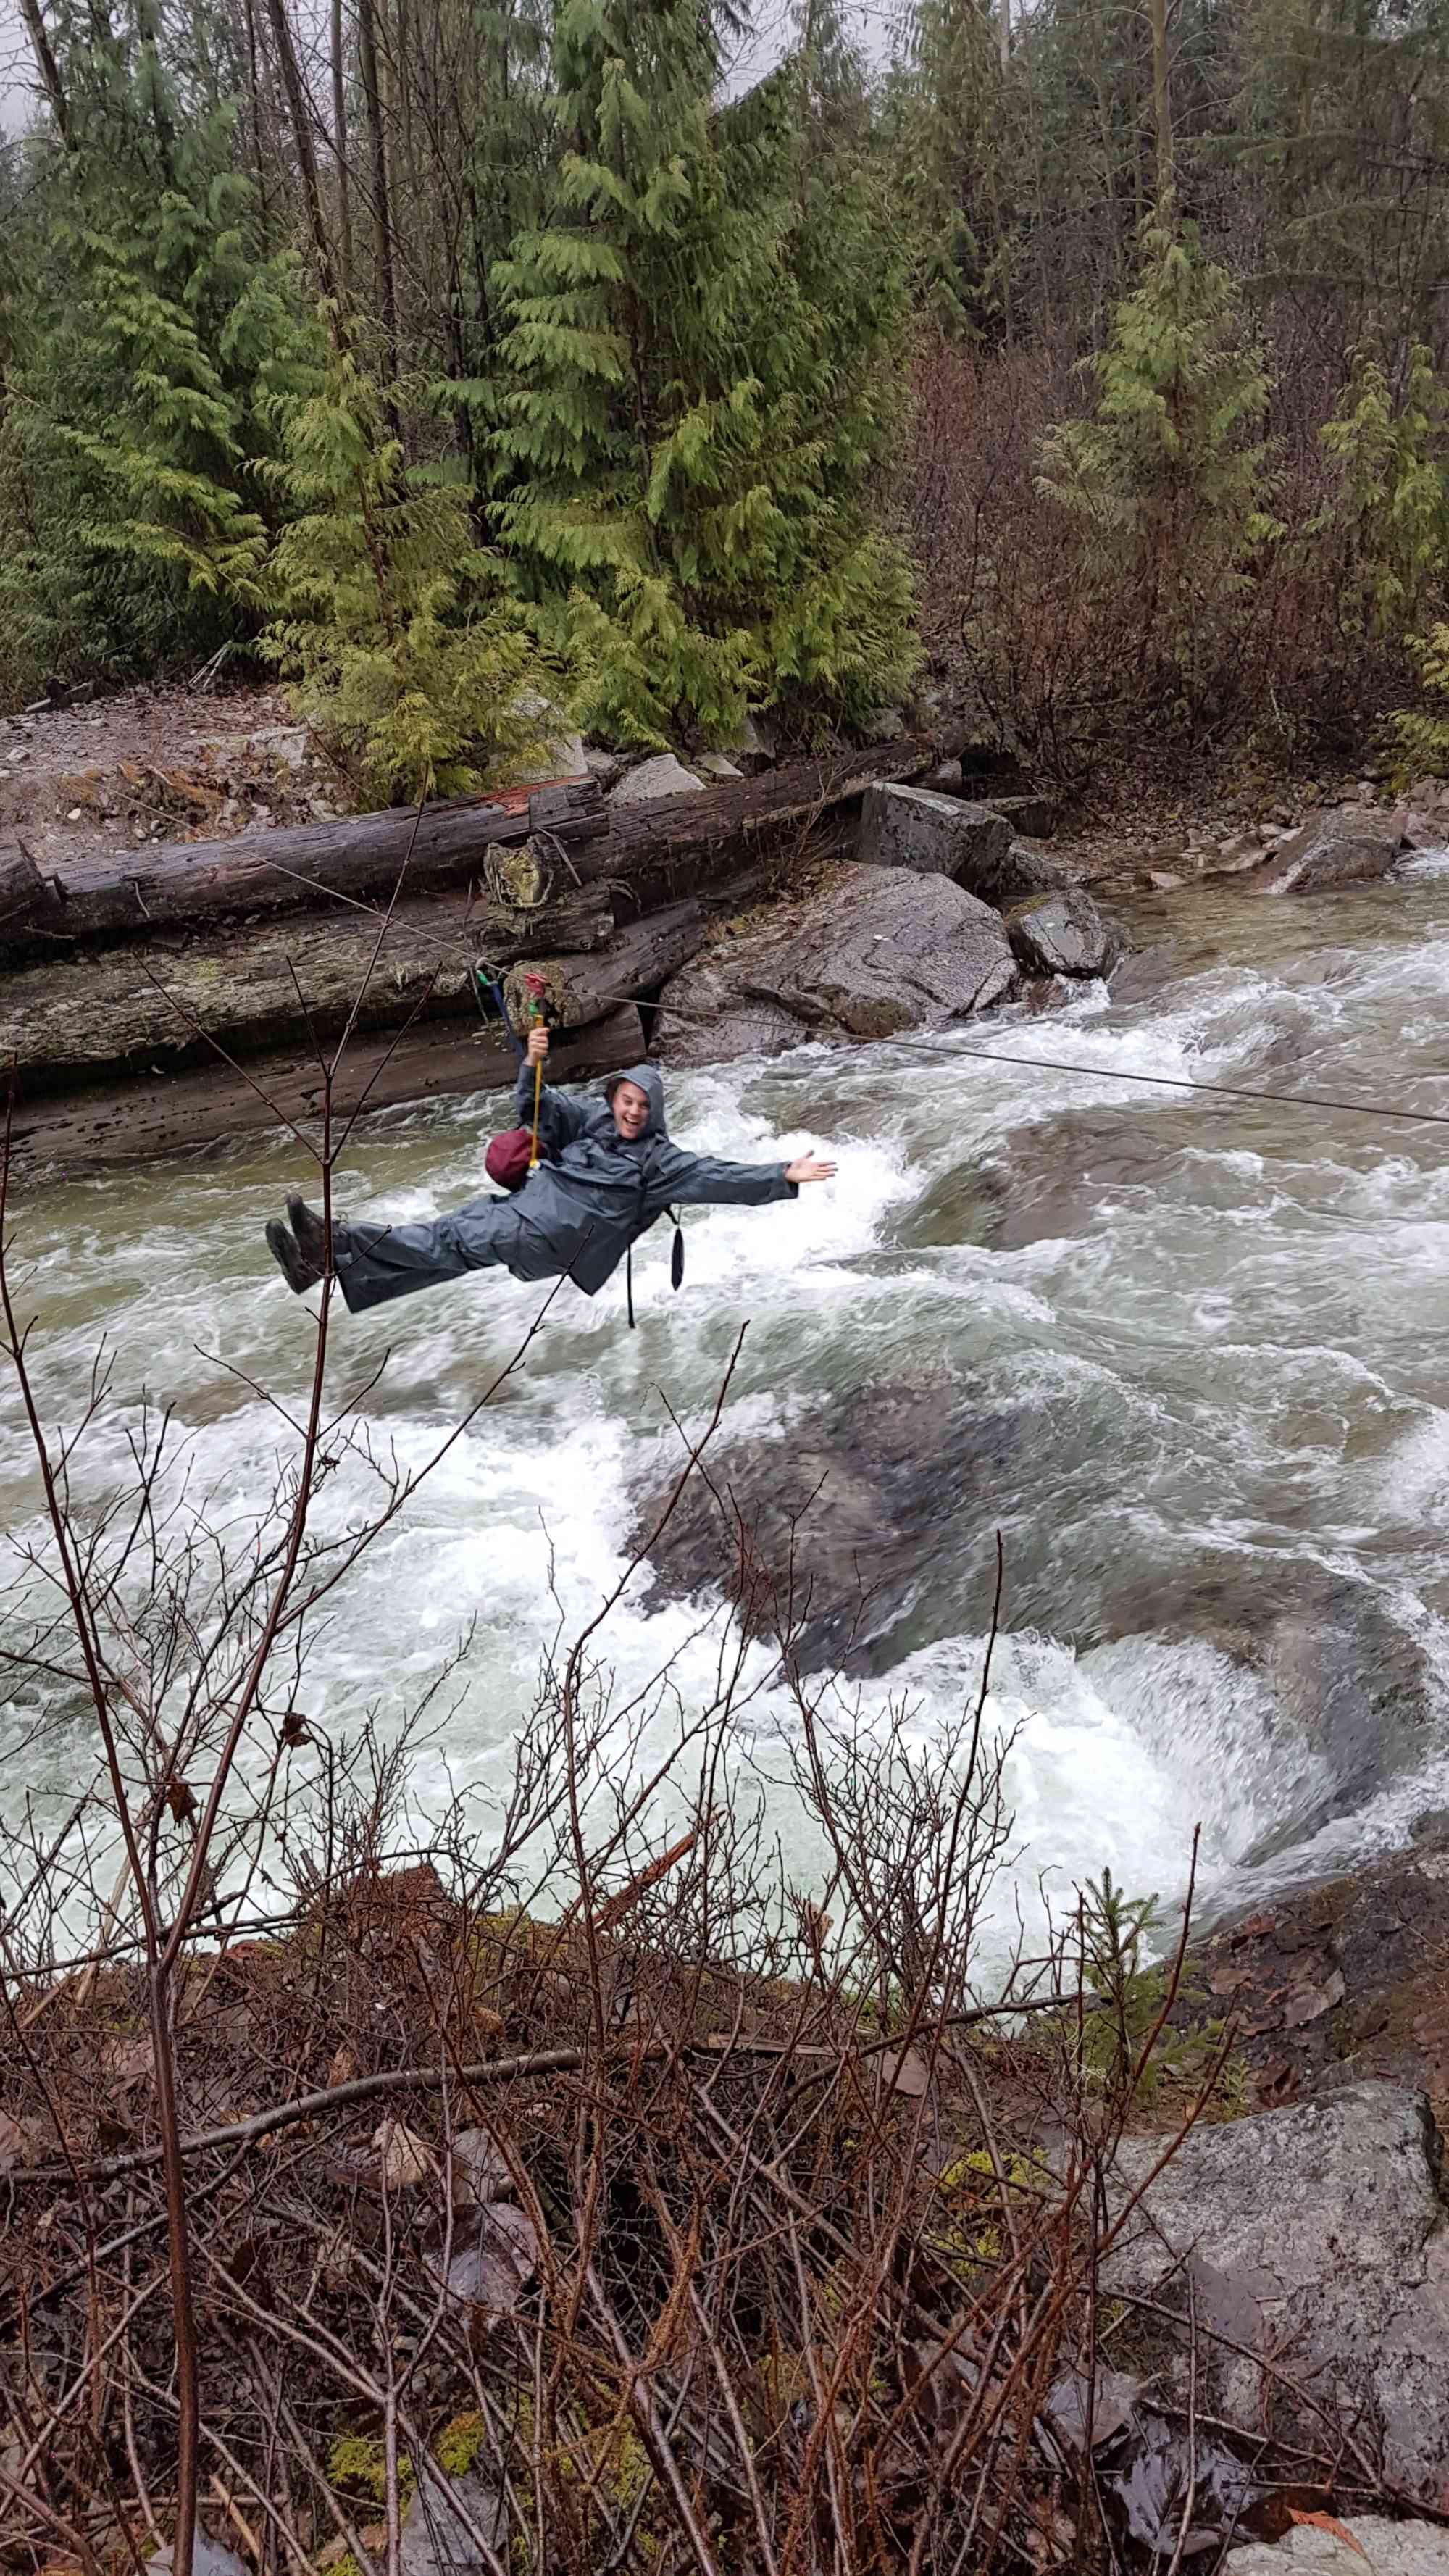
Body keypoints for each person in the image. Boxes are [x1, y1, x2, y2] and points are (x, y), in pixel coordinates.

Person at [264, 1027, 837, 1315]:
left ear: (655, 1110)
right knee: (449, 1252)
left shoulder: (662, 1163)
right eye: (626, 1101)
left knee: (447, 1238)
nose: (632, 1112)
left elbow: (720, 1177)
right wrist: (533, 1060)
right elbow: (539, 1106)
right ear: (615, 1099)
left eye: (642, 1105)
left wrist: (782, 1174)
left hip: (553, 1233)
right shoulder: (593, 1121)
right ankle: (324, 1268)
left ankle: (335, 1238)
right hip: (528, 1214)